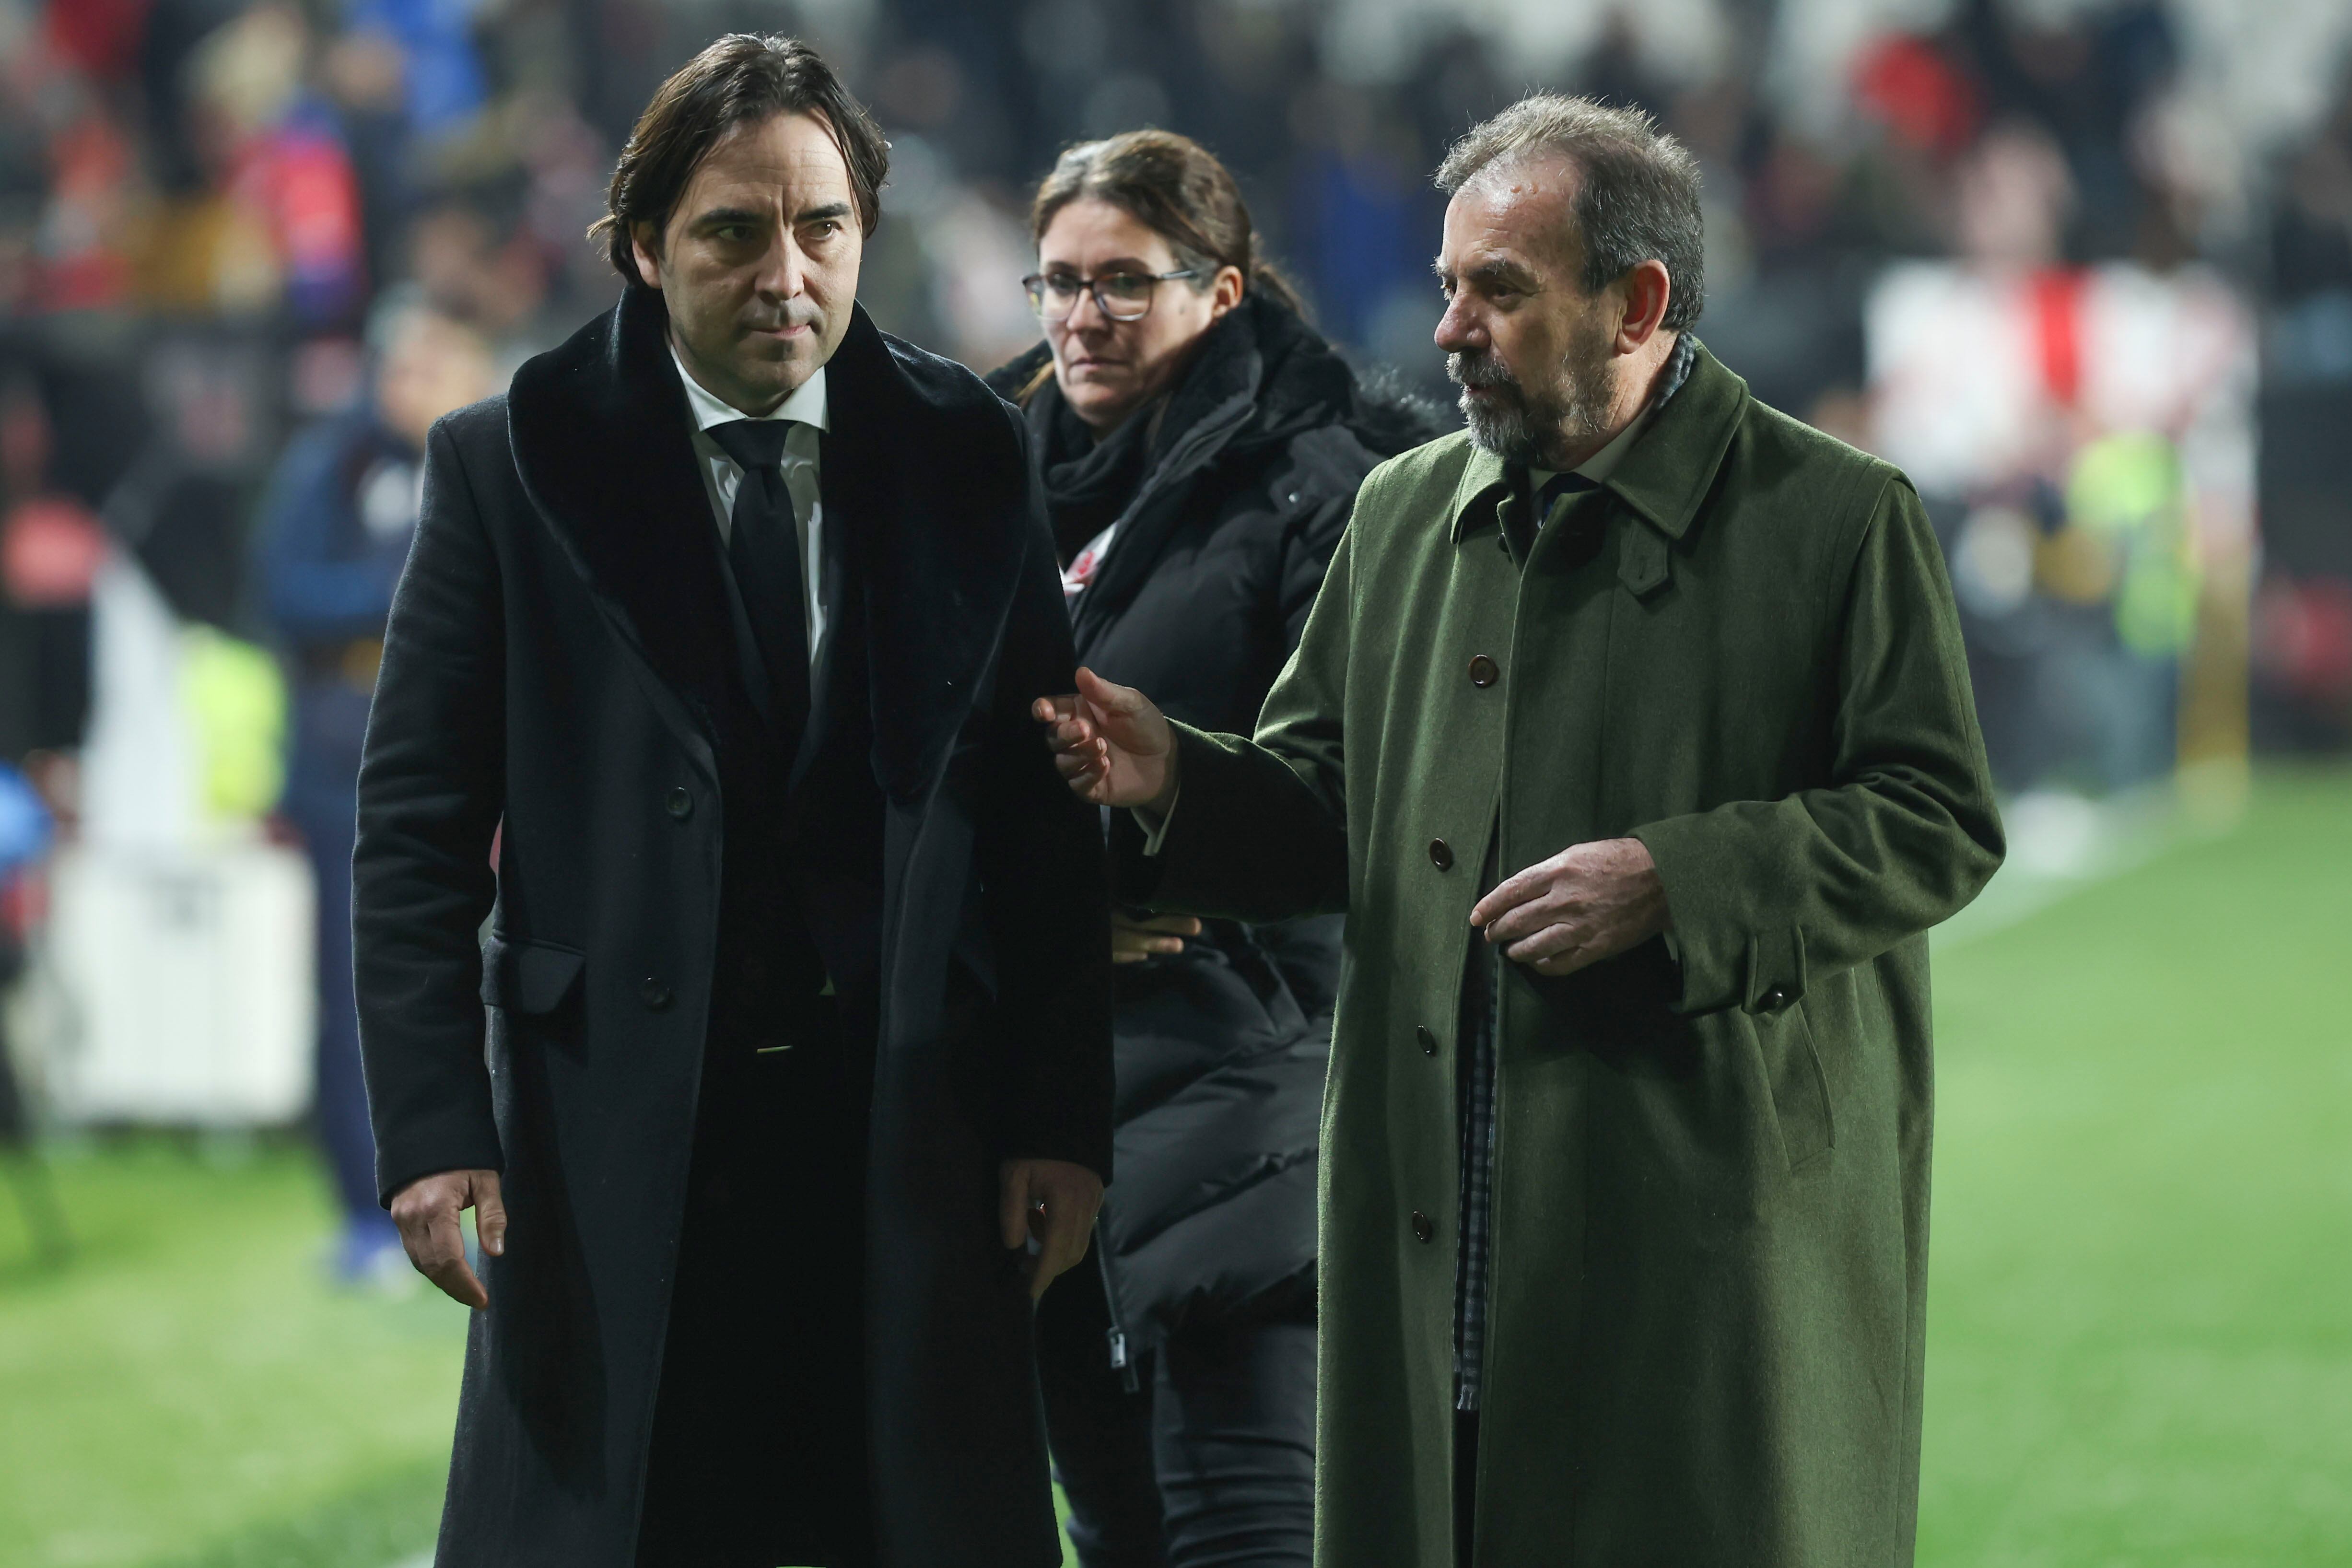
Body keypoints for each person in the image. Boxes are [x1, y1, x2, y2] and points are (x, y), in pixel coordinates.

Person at [1038, 95, 2005, 1568]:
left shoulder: (1837, 519)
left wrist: (1677, 880)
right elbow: (1324, 804)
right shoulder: (1407, 511)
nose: (1448, 331)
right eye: (1446, 287)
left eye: (1499, 289)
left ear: (1639, 305)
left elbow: (1937, 815)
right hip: (1432, 1212)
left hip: (1695, 1228)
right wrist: (1177, 773)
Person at [353, 35, 1112, 1568]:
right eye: (733, 231)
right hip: (616, 1151)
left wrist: (1057, 1115)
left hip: (905, 1141)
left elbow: (1043, 822)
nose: (788, 273)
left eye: (822, 228)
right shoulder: (510, 466)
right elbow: (416, 833)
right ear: (643, 245)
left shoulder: (969, 451)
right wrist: (437, 1126)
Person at [983, 130, 1440, 1568]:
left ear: (1224, 290)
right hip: (1043, 1087)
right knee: (1111, 1520)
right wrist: (1051, 910)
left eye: (1124, 282)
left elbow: (1362, 791)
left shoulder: (1332, 485)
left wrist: (1145, 857)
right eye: (1057, 282)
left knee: (1249, 1522)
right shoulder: (981, 476)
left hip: (1257, 1071)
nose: (1079, 317)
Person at [256, 295, 493, 1287]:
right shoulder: (335, 467)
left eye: (444, 364)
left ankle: (507, 1192)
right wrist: (413, 585)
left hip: (485, 761)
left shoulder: (498, 461)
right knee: (357, 988)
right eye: (409, 367)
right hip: (341, 762)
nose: (421, 386)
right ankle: (368, 1207)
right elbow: (282, 587)